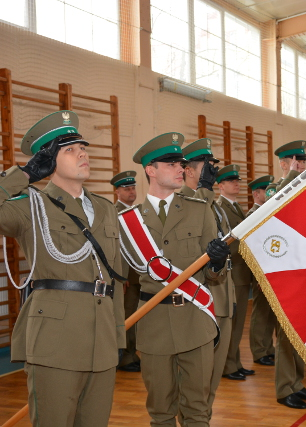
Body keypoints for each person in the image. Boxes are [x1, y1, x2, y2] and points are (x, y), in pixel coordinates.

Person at [1, 111, 125, 426]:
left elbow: (115, 278)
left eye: (83, 147)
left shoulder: (105, 209)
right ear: (48, 161)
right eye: (69, 149)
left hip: (102, 340)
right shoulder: (29, 205)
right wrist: (25, 175)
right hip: (56, 340)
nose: (82, 153)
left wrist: (118, 336)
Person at [122, 132, 230, 425]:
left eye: (181, 163)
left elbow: (213, 274)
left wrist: (218, 263)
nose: (180, 168)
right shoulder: (129, 221)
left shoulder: (200, 210)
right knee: (160, 410)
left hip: (195, 319)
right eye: (171, 163)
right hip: (153, 322)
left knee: (197, 408)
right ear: (150, 170)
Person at [178, 137, 235, 418]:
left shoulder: (215, 206)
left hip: (222, 298)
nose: (213, 170)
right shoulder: (184, 202)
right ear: (187, 170)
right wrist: (203, 189)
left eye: (214, 165)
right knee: (194, 385)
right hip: (199, 304)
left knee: (211, 383)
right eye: (206, 165)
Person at [265, 140, 306, 409]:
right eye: (296, 162)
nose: (302, 166)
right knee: (286, 332)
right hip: (285, 270)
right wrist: (290, 176)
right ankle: (283, 388)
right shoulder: (274, 188)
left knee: (300, 330)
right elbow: (275, 203)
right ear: (283, 164)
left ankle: (297, 383)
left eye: (304, 162)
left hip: (305, 268)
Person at [214, 164, 257, 381]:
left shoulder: (235, 206)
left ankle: (235, 362)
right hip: (233, 273)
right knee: (231, 322)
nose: (236, 184)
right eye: (231, 181)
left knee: (238, 323)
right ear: (220, 186)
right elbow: (227, 241)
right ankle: (227, 365)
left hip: (242, 272)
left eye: (237, 181)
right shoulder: (220, 207)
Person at [111, 170, 142, 373]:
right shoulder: (115, 213)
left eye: (133, 188)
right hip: (128, 275)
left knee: (139, 315)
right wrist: (120, 276)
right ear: (117, 192)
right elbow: (116, 247)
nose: (131, 192)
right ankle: (125, 357)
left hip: (141, 273)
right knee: (127, 315)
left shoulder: (137, 212)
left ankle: (133, 352)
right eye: (126, 189)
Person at [247, 175, 278, 366]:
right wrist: (259, 276)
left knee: (270, 313)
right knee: (260, 313)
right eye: (266, 190)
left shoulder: (269, 213)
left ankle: (268, 348)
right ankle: (259, 351)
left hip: (272, 271)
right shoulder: (253, 215)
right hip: (261, 273)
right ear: (256, 194)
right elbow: (253, 248)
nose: (270, 193)